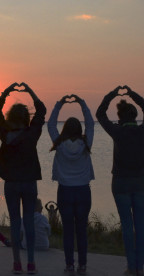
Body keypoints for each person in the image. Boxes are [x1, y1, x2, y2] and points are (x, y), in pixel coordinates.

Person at [96, 85, 144, 276]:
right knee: (140, 226)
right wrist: (132, 94)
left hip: (120, 183)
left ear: (119, 117)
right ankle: (140, 269)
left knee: (127, 225)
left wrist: (112, 94)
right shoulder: (143, 130)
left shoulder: (117, 131)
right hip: (139, 183)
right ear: (134, 116)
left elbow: (100, 113)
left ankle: (130, 267)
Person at [0, 82, 46, 274]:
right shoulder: (32, 134)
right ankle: (31, 262)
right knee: (29, 222)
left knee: (15, 222)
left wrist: (6, 93)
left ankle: (17, 263)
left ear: (10, 118)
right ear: (26, 118)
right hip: (29, 182)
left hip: (12, 184)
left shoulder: (5, 134)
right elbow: (41, 111)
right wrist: (30, 91)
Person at [48, 94, 94, 275]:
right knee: (81, 229)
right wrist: (82, 103)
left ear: (65, 129)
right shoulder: (86, 143)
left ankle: (69, 265)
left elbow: (51, 124)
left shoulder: (59, 144)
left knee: (68, 230)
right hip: (83, 191)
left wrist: (59, 104)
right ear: (79, 129)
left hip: (65, 191)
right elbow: (90, 124)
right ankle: (82, 265)